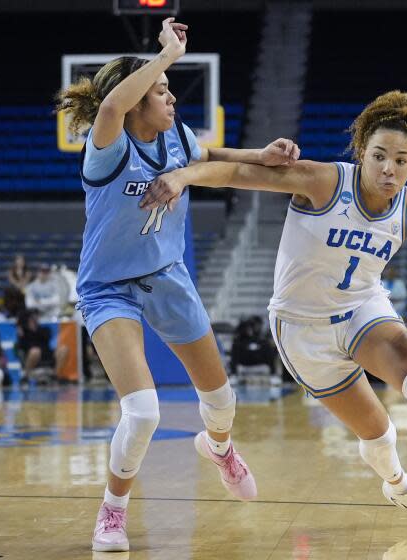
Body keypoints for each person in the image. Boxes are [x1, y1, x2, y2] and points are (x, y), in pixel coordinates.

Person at [144, 90, 407, 539]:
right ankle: (401, 486)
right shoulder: (323, 182)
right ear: (362, 152)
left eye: (401, 160)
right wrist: (183, 176)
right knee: (379, 433)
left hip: (362, 310)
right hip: (300, 328)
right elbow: (235, 172)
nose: (389, 168)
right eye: (380, 156)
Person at [55, 17, 301, 552]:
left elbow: (210, 157)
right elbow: (112, 107)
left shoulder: (177, 139)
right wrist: (164, 56)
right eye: (162, 92)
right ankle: (112, 512)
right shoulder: (108, 145)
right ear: (140, 97)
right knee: (143, 412)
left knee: (222, 400)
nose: (171, 100)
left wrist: (262, 155)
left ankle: (219, 448)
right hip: (109, 290)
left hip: (168, 279)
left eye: (169, 91)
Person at [16, 309, 69, 384]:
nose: (33, 320)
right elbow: (21, 347)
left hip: (46, 354)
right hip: (31, 357)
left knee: (64, 349)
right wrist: (21, 332)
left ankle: (55, 376)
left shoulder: (42, 330)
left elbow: (48, 336)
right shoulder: (23, 334)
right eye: (31, 319)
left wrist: (35, 329)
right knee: (35, 351)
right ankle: (26, 376)